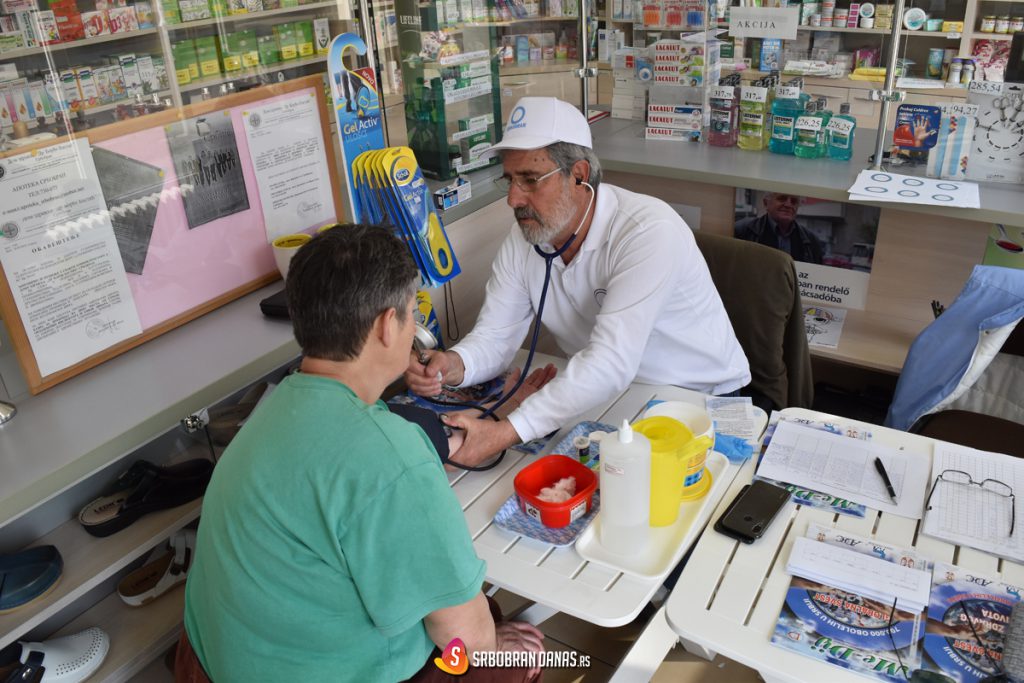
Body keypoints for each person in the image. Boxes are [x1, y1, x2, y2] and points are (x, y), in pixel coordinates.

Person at [178, 225, 544, 682]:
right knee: (516, 657)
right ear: (388, 326)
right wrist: (496, 647)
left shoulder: (271, 411)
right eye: (412, 315)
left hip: (216, 661)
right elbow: (467, 640)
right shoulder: (391, 458)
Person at [405, 97, 750, 467]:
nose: (513, 199)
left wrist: (506, 431)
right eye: (509, 180)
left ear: (580, 174)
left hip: (698, 398)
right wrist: (454, 364)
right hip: (608, 396)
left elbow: (610, 361)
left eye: (530, 180)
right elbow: (496, 336)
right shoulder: (526, 238)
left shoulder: (648, 232)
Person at [734, 192, 825, 265]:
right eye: (782, 198)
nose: (788, 205)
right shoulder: (742, 230)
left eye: (793, 201)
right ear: (766, 203)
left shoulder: (811, 241)